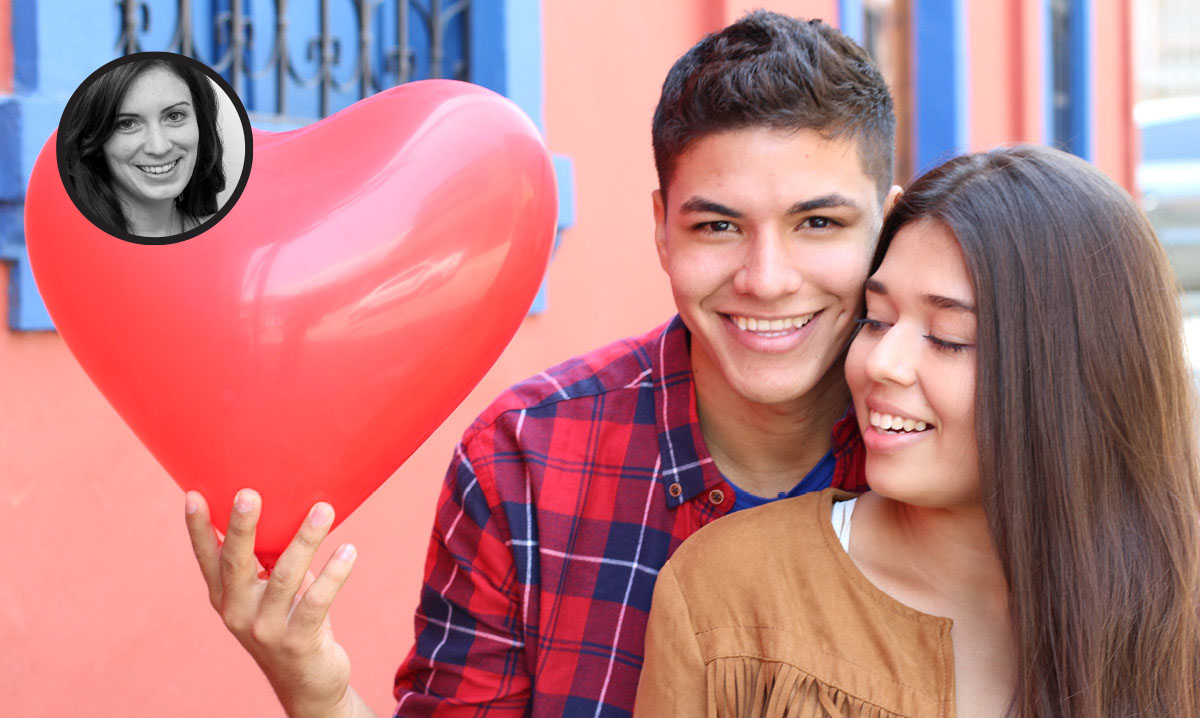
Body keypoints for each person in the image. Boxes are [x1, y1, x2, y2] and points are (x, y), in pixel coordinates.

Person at [183, 11, 900, 716]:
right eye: (718, 225)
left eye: (818, 224)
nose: (766, 279)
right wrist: (315, 685)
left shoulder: (963, 455)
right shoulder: (523, 462)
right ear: (661, 229)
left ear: (887, 227)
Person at [634, 145, 1200, 717]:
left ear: (1081, 372)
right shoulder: (732, 595)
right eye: (875, 321)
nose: (880, 362)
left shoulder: (1178, 603)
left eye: (949, 337)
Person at [59, 55, 225, 238]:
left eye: (174, 116)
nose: (159, 147)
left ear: (200, 124)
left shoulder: (232, 242)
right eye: (127, 124)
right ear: (96, 142)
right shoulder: (68, 247)